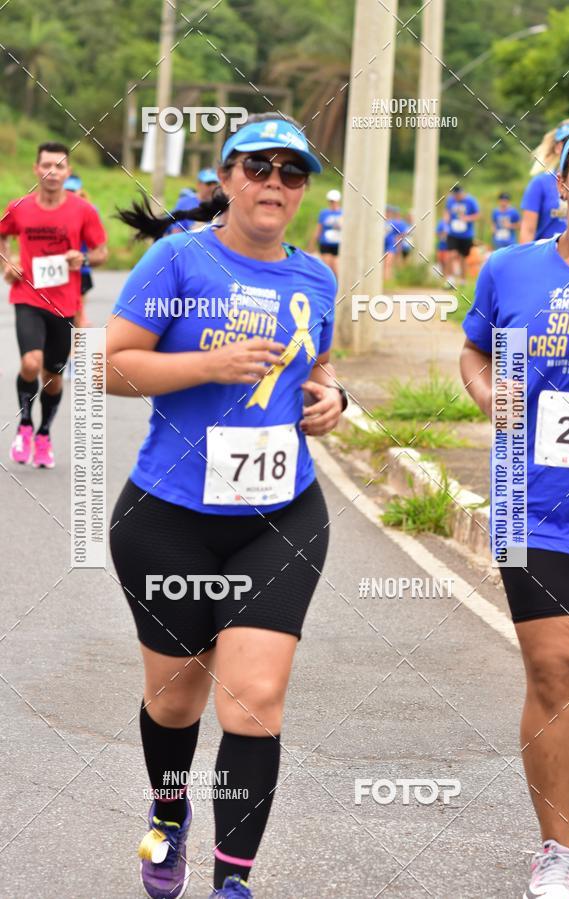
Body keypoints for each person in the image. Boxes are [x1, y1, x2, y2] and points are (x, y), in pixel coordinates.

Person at [107, 112, 346, 899]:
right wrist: (207, 363)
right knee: (177, 695)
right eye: (258, 167)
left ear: (304, 188)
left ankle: (232, 881)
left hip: (281, 515)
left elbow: (317, 368)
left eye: (292, 172)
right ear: (226, 176)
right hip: (168, 517)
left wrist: (331, 398)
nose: (275, 182)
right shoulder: (178, 258)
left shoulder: (316, 277)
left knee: (256, 696)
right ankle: (168, 811)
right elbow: (111, 368)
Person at [459, 118, 569, 899]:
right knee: (557, 671)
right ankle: (556, 851)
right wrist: (487, 392)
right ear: (565, 177)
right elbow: (473, 350)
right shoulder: (511, 269)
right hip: (531, 502)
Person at [0, 142, 107, 468]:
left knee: (53, 376)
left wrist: (84, 257)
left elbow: (102, 252)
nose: (52, 171)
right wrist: (8, 262)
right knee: (31, 363)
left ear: (68, 172)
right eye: (46, 164)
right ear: (36, 169)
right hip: (27, 296)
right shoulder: (19, 208)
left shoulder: (83, 211)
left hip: (64, 304)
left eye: (59, 166)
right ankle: (24, 425)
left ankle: (44, 433)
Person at [520, 119, 569, 244]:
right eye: (568, 141)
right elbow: (527, 229)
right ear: (558, 148)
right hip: (544, 256)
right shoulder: (539, 183)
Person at [64, 173, 95, 327]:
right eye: (67, 190)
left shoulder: (88, 210)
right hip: (60, 269)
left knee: (79, 314)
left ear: (80, 191)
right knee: (71, 314)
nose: (70, 194)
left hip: (81, 269)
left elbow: (97, 245)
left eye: (73, 190)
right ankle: (73, 348)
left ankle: (86, 349)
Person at [443, 184, 480, 285]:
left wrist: (467, 218)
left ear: (462, 193)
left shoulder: (471, 201)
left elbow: (477, 215)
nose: (456, 197)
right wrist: (446, 220)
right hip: (453, 233)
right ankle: (450, 279)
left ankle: (463, 280)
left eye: (457, 195)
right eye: (454, 195)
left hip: (466, 234)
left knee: (463, 257)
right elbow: (447, 212)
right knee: (451, 255)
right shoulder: (450, 200)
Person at [166, 168, 221, 235]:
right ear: (198, 185)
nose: (212, 188)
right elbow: (176, 231)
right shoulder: (184, 203)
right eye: (208, 184)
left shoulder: (221, 205)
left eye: (215, 184)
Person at [310, 188, 342, 276]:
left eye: (334, 201)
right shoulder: (324, 213)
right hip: (325, 244)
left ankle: (338, 287)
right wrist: (313, 243)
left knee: (336, 267)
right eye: (330, 201)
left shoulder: (342, 213)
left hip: (338, 244)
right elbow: (319, 228)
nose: (332, 203)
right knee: (327, 268)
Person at [383, 205, 411, 279]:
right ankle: (387, 278)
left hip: (391, 246)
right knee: (385, 265)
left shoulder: (397, 222)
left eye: (389, 211)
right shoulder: (384, 221)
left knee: (388, 264)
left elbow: (401, 235)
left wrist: (398, 248)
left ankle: (388, 279)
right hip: (383, 245)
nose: (388, 213)